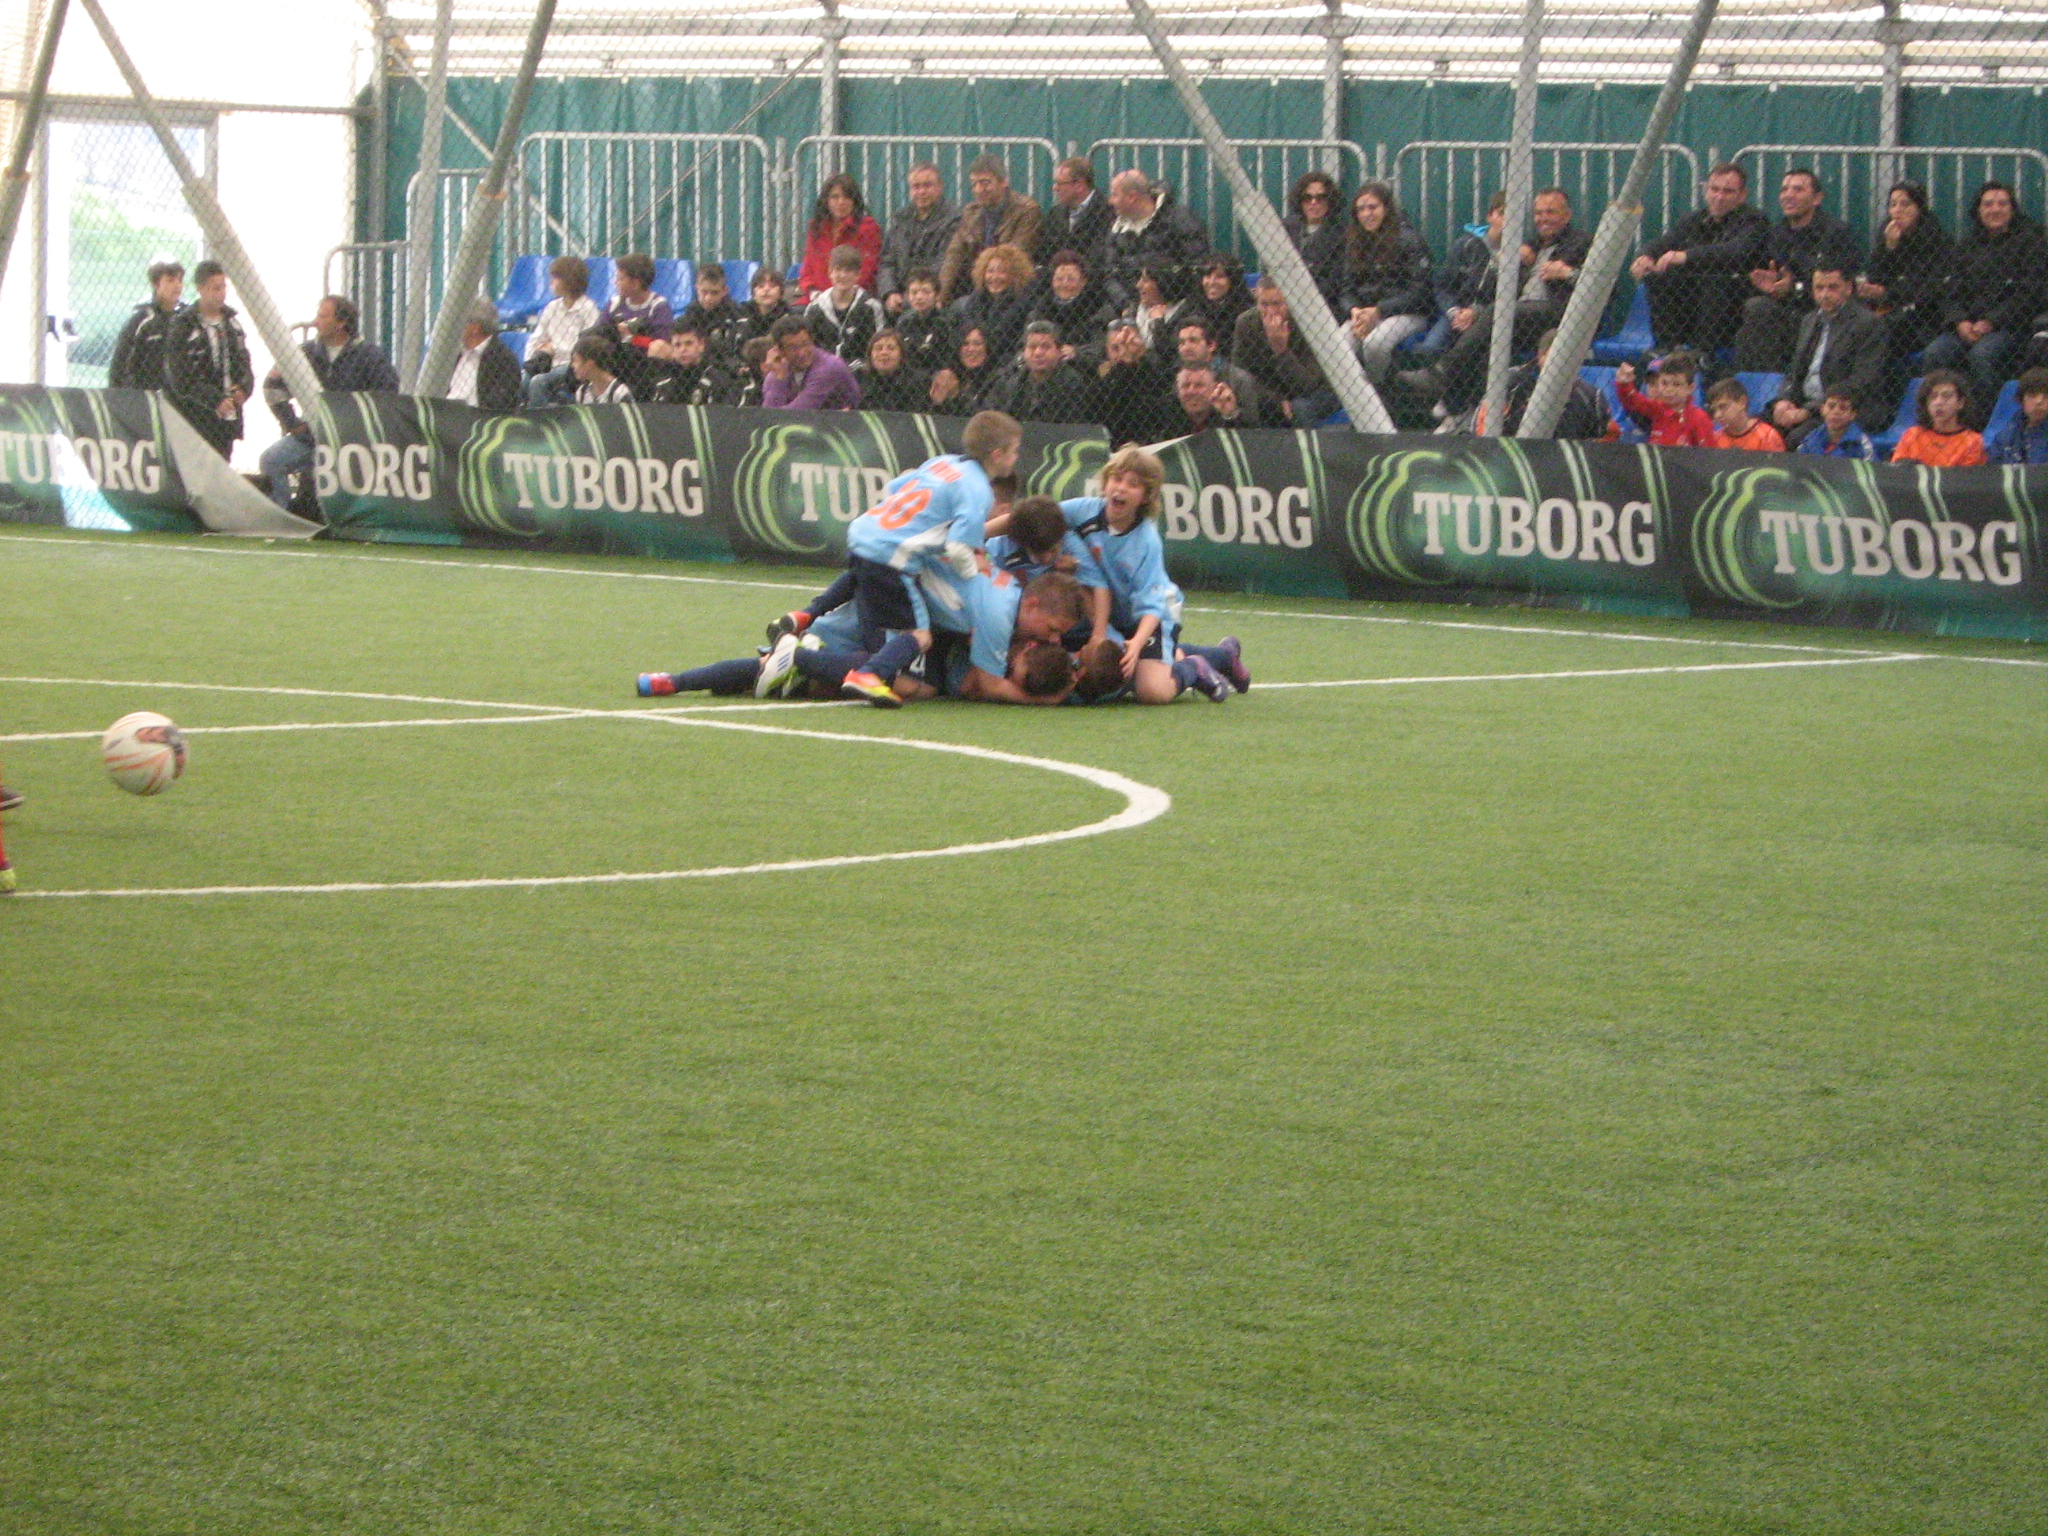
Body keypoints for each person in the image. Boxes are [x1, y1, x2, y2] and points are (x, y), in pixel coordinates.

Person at [834, 410, 1022, 704]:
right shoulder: (979, 491)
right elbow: (958, 549)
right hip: (891, 558)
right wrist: (973, 570)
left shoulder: (944, 462)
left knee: (879, 626)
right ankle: (867, 674)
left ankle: (818, 641)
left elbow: (895, 487)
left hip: (863, 535)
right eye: (1014, 451)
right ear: (997, 455)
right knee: (921, 636)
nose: (1016, 458)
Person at [1059, 445, 1241, 704]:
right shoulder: (1083, 511)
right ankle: (1219, 656)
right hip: (1108, 614)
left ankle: (1195, 666)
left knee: (1152, 691)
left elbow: (1152, 607)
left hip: (1148, 619)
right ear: (1105, 482)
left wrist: (1136, 644)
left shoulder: (1146, 540)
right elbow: (1039, 516)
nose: (1121, 488)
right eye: (1117, 478)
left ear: (1146, 496)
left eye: (1133, 484)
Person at [1396, 187, 1590, 417]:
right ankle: (1464, 414)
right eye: (1538, 213)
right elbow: (1488, 286)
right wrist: (1505, 263)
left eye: (1551, 212)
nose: (1543, 218)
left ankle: (1442, 373)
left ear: (1567, 215)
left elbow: (1603, 285)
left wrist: (1567, 273)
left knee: (1500, 311)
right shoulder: (1530, 245)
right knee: (1487, 347)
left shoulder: (1582, 242)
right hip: (1522, 319)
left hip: (1558, 313)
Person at [258, 292, 400, 509]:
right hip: (311, 435)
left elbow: (388, 394)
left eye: (323, 316)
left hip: (353, 440)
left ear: (341, 323)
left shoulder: (369, 356)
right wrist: (292, 423)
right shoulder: (305, 353)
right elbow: (272, 386)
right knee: (271, 460)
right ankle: (281, 515)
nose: (316, 322)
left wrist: (360, 427)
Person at [1923, 181, 2047, 416]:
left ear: (2012, 209)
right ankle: (1940, 419)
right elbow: (1950, 292)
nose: (1995, 209)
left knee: (1983, 355)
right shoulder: (1966, 245)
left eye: (2002, 204)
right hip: (1966, 327)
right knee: (1935, 352)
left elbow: (2029, 295)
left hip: (2011, 327)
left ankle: (1983, 420)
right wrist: (1960, 322)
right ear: (1978, 210)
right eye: (1988, 204)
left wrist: (1991, 321)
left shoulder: (2030, 243)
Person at [1630, 163, 1770, 356]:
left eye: (1728, 192)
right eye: (1714, 189)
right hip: (1691, 309)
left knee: (1716, 279)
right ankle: (1666, 347)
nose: (1719, 197)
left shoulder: (1755, 221)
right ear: (1706, 191)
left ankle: (1703, 353)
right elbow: (1665, 243)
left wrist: (1686, 256)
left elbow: (1735, 252)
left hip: (1732, 310)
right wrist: (1645, 256)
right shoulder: (1693, 220)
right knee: (1659, 276)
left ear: (1742, 195)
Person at [1730, 169, 1862, 372]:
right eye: (1784, 189)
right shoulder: (1776, 234)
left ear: (1817, 198)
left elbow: (1840, 286)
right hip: (1786, 313)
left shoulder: (1836, 233)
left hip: (1823, 314)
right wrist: (1772, 285)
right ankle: (1764, 382)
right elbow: (1775, 278)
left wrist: (1794, 286)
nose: (1788, 195)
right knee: (1755, 308)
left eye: (1798, 189)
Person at [1766, 263, 1890, 448]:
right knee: (1759, 428)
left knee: (1795, 439)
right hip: (1803, 404)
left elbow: (1863, 380)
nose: (1824, 295)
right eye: (1819, 288)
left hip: (1843, 408)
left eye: (1832, 288)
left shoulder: (1868, 323)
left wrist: (1812, 409)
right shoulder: (1808, 320)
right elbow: (1794, 371)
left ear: (1848, 288)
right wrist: (1784, 401)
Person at [1857, 181, 1953, 400]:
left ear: (1919, 208)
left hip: (1925, 319)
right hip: (1891, 313)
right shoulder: (1888, 236)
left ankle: (1885, 400)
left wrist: (1887, 294)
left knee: (1881, 332)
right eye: (1893, 205)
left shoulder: (1936, 240)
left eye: (1905, 204)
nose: (1898, 210)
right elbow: (1875, 276)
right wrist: (1889, 248)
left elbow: (1928, 289)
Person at [1341, 181, 1434, 384]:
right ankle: (1354, 392)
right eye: (1361, 209)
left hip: (1407, 313)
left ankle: (1377, 390)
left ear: (1386, 208)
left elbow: (1419, 293)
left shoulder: (1409, 240)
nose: (1367, 214)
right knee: (1340, 344)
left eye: (1372, 207)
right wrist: (1354, 311)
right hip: (1365, 313)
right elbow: (1346, 289)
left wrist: (1379, 311)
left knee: (1375, 343)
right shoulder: (1354, 241)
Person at [162, 260, 253, 460]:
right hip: (195, 415)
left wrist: (244, 388)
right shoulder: (184, 325)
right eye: (216, 288)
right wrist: (214, 400)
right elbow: (180, 377)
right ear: (201, 289)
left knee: (222, 463)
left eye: (224, 287)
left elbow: (244, 363)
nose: (222, 294)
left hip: (227, 415)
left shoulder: (232, 323)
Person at [1095, 169, 1209, 312]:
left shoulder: (1179, 220)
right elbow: (1109, 274)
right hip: (1130, 307)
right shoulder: (1116, 229)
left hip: (1176, 306)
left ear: (1131, 197)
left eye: (1114, 195)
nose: (1110, 201)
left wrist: (1170, 302)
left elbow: (1197, 266)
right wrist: (1127, 305)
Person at [940, 155, 1043, 302]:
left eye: (985, 183)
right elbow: (954, 254)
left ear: (1003, 182)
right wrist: (941, 294)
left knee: (963, 306)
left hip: (1010, 286)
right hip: (976, 284)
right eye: (974, 184)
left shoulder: (1026, 210)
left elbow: (1015, 255)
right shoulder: (971, 212)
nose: (978, 189)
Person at [1233, 277, 1334, 425]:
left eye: (1277, 304)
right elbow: (1240, 376)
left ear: (1289, 302)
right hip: (1270, 392)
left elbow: (1308, 386)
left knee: (1300, 407)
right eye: (1264, 304)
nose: (1271, 311)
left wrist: (1281, 351)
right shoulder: (1245, 323)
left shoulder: (1307, 322)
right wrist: (1276, 401)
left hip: (1314, 391)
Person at [1496, 329, 1611, 440]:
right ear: (1541, 355)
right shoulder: (1511, 381)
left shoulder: (1591, 396)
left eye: (1568, 358)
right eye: (1556, 357)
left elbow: (1607, 437)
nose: (1561, 364)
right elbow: (1487, 421)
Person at [877, 163, 960, 315]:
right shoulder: (900, 219)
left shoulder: (953, 220)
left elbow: (944, 263)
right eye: (916, 186)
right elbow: (887, 262)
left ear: (940, 187)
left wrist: (913, 295)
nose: (921, 191)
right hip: (899, 293)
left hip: (932, 294)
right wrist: (889, 292)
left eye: (927, 185)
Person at [522, 256, 601, 407]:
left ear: (569, 281)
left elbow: (586, 347)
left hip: (571, 366)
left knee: (538, 382)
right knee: (523, 378)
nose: (551, 282)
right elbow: (536, 339)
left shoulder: (588, 309)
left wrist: (554, 348)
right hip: (548, 363)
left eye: (555, 278)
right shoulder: (552, 307)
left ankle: (541, 419)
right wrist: (533, 357)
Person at [1083, 318, 1175, 446]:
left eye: (1129, 345)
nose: (1123, 352)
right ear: (1107, 350)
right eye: (1116, 348)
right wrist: (1123, 366)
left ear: (1141, 346)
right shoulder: (1101, 383)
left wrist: (1132, 364)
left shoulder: (1156, 370)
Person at [980, 321, 1092, 424]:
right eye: (1032, 347)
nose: (1038, 353)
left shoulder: (1073, 384)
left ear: (1059, 351)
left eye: (1045, 347)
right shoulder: (1011, 383)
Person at [796, 172, 882, 301]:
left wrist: (838, 295)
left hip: (853, 297)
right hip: (817, 297)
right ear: (826, 201)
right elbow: (807, 269)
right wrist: (815, 294)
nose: (841, 202)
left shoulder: (867, 228)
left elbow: (868, 271)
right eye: (835, 197)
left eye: (847, 197)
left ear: (854, 201)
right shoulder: (816, 228)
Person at [1172, 316, 1270, 424]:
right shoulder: (1176, 377)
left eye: (1193, 341)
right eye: (1182, 342)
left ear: (1211, 345)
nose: (1186, 348)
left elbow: (1252, 422)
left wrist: (1231, 414)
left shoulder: (1238, 379)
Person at [951, 243, 1034, 364]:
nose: (995, 277)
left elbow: (1002, 338)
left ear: (1015, 275)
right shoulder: (975, 300)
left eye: (1002, 271)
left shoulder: (1022, 302)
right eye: (990, 271)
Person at [805, 244, 887, 363]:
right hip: (824, 370)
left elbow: (878, 344)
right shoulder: (815, 309)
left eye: (848, 271)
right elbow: (809, 347)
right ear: (830, 272)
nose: (843, 275)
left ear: (858, 275)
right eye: (838, 270)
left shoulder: (871, 307)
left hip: (861, 370)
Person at [108, 260, 183, 390]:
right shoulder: (141, 320)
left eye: (180, 280)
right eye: (170, 281)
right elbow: (119, 365)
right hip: (144, 394)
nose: (177, 286)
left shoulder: (186, 318)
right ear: (156, 284)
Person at [761, 314, 861, 410]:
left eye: (806, 344)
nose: (802, 353)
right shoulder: (779, 368)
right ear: (780, 350)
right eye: (793, 348)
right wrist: (779, 378)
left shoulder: (829, 367)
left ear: (812, 340)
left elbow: (798, 413)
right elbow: (769, 414)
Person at [1613, 352, 1713, 447]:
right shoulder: (1657, 409)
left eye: (1676, 384)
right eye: (1664, 383)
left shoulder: (1699, 418)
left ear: (1690, 388)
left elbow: (1708, 452)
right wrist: (1624, 384)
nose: (1669, 389)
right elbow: (1633, 401)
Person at [1890, 369, 1986, 466]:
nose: (1938, 402)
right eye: (1933, 396)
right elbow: (1898, 470)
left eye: (1946, 396)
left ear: (1960, 403)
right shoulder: (1913, 435)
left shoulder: (1972, 441)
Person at [1284, 170, 1347, 314]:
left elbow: (1336, 279)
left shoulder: (1341, 233)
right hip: (1286, 298)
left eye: (1321, 198)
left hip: (1323, 302)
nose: (1313, 203)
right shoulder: (1287, 227)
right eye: (1307, 198)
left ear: (1330, 201)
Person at [445, 297, 523, 411]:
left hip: (474, 416)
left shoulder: (503, 359)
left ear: (475, 327)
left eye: (459, 321)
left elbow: (501, 404)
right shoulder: (454, 353)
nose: (454, 326)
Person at [1027, 250, 1112, 355]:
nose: (1065, 284)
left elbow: (1101, 346)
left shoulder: (1099, 309)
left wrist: (1077, 352)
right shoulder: (1040, 311)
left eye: (1071, 279)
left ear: (1083, 282)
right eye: (1059, 279)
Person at [1037, 157, 1112, 269]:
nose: (1054, 188)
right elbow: (1043, 252)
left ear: (1079, 185)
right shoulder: (1055, 214)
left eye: (1059, 183)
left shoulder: (1107, 212)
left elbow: (1100, 256)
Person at [646, 322, 741, 406]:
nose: (683, 349)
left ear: (701, 345)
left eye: (688, 343)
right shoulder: (665, 381)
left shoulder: (718, 377)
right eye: (677, 345)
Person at [676, 262, 750, 365]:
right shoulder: (691, 311)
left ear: (725, 291)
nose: (708, 298)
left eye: (714, 292)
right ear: (696, 288)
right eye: (704, 292)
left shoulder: (735, 313)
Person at [1186, 254, 1252, 359]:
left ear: (1233, 280)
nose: (1212, 282)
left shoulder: (1245, 311)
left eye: (1220, 276)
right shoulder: (1192, 307)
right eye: (1207, 276)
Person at [895, 268, 956, 377]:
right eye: (914, 292)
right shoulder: (904, 322)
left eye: (926, 292)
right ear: (907, 296)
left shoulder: (945, 322)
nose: (919, 297)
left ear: (937, 295)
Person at [851, 330, 928, 414]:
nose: (884, 352)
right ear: (870, 354)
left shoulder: (918, 381)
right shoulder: (857, 378)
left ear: (901, 355)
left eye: (891, 348)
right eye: (878, 348)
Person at [1165, 360, 1249, 436]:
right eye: (1185, 386)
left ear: (1214, 387)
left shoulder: (1224, 411)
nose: (1191, 391)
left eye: (1199, 385)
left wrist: (1230, 415)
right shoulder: (1167, 414)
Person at [1794, 388, 1879, 460]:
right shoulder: (1811, 439)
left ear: (1852, 414)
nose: (1836, 412)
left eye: (1843, 408)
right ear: (1822, 409)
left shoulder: (1862, 445)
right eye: (1831, 406)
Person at [1986, 365, 2048, 464]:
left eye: (2046, 396)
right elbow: (1992, 468)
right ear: (2021, 399)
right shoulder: (2007, 435)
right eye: (2032, 395)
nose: (2039, 401)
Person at [929, 326, 994, 416]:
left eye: (977, 344)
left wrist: (956, 396)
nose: (971, 349)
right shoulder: (952, 377)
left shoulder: (995, 380)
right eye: (965, 344)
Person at [1706, 377, 1784, 451]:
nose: (1717, 415)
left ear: (1742, 402)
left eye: (1723, 406)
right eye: (1714, 410)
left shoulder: (1767, 436)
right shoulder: (1716, 439)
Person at [735, 266, 793, 348]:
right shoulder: (741, 312)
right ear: (753, 293)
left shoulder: (788, 315)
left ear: (781, 292)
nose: (766, 289)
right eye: (760, 286)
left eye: (772, 286)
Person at [569, 333, 634, 405]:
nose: (572, 365)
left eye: (575, 361)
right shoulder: (582, 392)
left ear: (589, 363)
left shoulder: (619, 393)